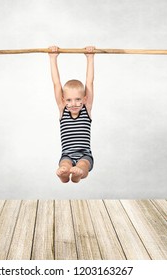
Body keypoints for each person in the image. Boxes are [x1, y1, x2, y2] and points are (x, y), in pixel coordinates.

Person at [49, 46, 95, 183]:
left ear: (85, 99)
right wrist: (52, 58)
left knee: (83, 165)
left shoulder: (87, 110)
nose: (73, 104)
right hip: (67, 155)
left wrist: (90, 58)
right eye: (69, 100)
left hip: (84, 155)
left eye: (78, 99)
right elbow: (56, 84)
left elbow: (89, 82)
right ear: (63, 100)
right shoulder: (63, 110)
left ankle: (77, 174)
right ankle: (63, 174)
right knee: (65, 165)